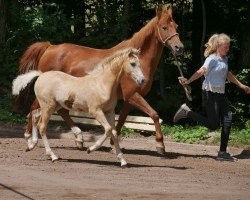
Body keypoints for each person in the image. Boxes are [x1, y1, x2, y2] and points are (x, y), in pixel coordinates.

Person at [173, 33, 250, 161]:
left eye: (228, 46)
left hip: (220, 94)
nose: (228, 49)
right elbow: (202, 70)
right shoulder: (212, 59)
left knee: (228, 118)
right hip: (209, 94)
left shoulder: (224, 59)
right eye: (226, 47)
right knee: (213, 125)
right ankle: (187, 112)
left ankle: (222, 152)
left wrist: (241, 85)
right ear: (218, 46)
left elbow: (227, 74)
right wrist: (188, 81)